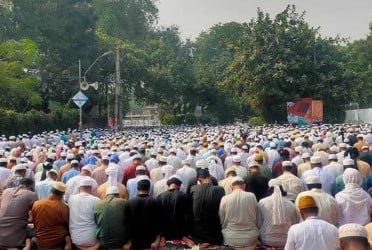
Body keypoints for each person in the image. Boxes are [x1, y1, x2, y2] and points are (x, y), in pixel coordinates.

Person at [219, 176, 259, 249]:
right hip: (250, 237)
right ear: (244, 186)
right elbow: (257, 217)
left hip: (230, 238)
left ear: (231, 187)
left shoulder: (225, 198)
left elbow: (222, 219)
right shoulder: (252, 196)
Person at [258, 179, 299, 249]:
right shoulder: (290, 204)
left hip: (266, 239)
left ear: (269, 189)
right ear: (282, 189)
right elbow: (294, 223)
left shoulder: (262, 203)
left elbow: (258, 223)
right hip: (285, 240)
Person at [189, 168, 225, 247]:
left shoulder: (193, 188)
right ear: (210, 177)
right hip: (215, 231)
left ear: (199, 180)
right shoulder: (220, 189)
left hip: (197, 232)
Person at [156, 175, 194, 248]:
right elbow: (189, 214)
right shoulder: (184, 195)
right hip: (180, 229)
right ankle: (183, 237)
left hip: (165, 229)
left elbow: (158, 215)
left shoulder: (160, 196)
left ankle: (164, 237)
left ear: (168, 185)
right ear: (179, 186)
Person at [31, 181, 72, 249]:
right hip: (57, 240)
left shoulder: (36, 204)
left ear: (51, 191)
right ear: (62, 195)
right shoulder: (63, 207)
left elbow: (34, 221)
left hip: (41, 239)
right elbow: (67, 224)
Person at [0, 178, 38, 250]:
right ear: (30, 186)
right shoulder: (32, 194)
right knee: (37, 233)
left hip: (1, 232)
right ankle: (28, 244)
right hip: (16, 237)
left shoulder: (6, 191)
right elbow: (36, 212)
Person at [126, 177, 163, 250]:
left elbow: (127, 223)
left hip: (135, 241)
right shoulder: (155, 202)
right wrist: (157, 240)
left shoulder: (130, 202)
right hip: (150, 241)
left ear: (137, 188)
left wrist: (129, 241)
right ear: (149, 189)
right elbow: (159, 222)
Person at [69, 178, 100, 249]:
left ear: (79, 189)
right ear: (91, 189)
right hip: (93, 238)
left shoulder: (71, 199)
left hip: (76, 239)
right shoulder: (97, 200)